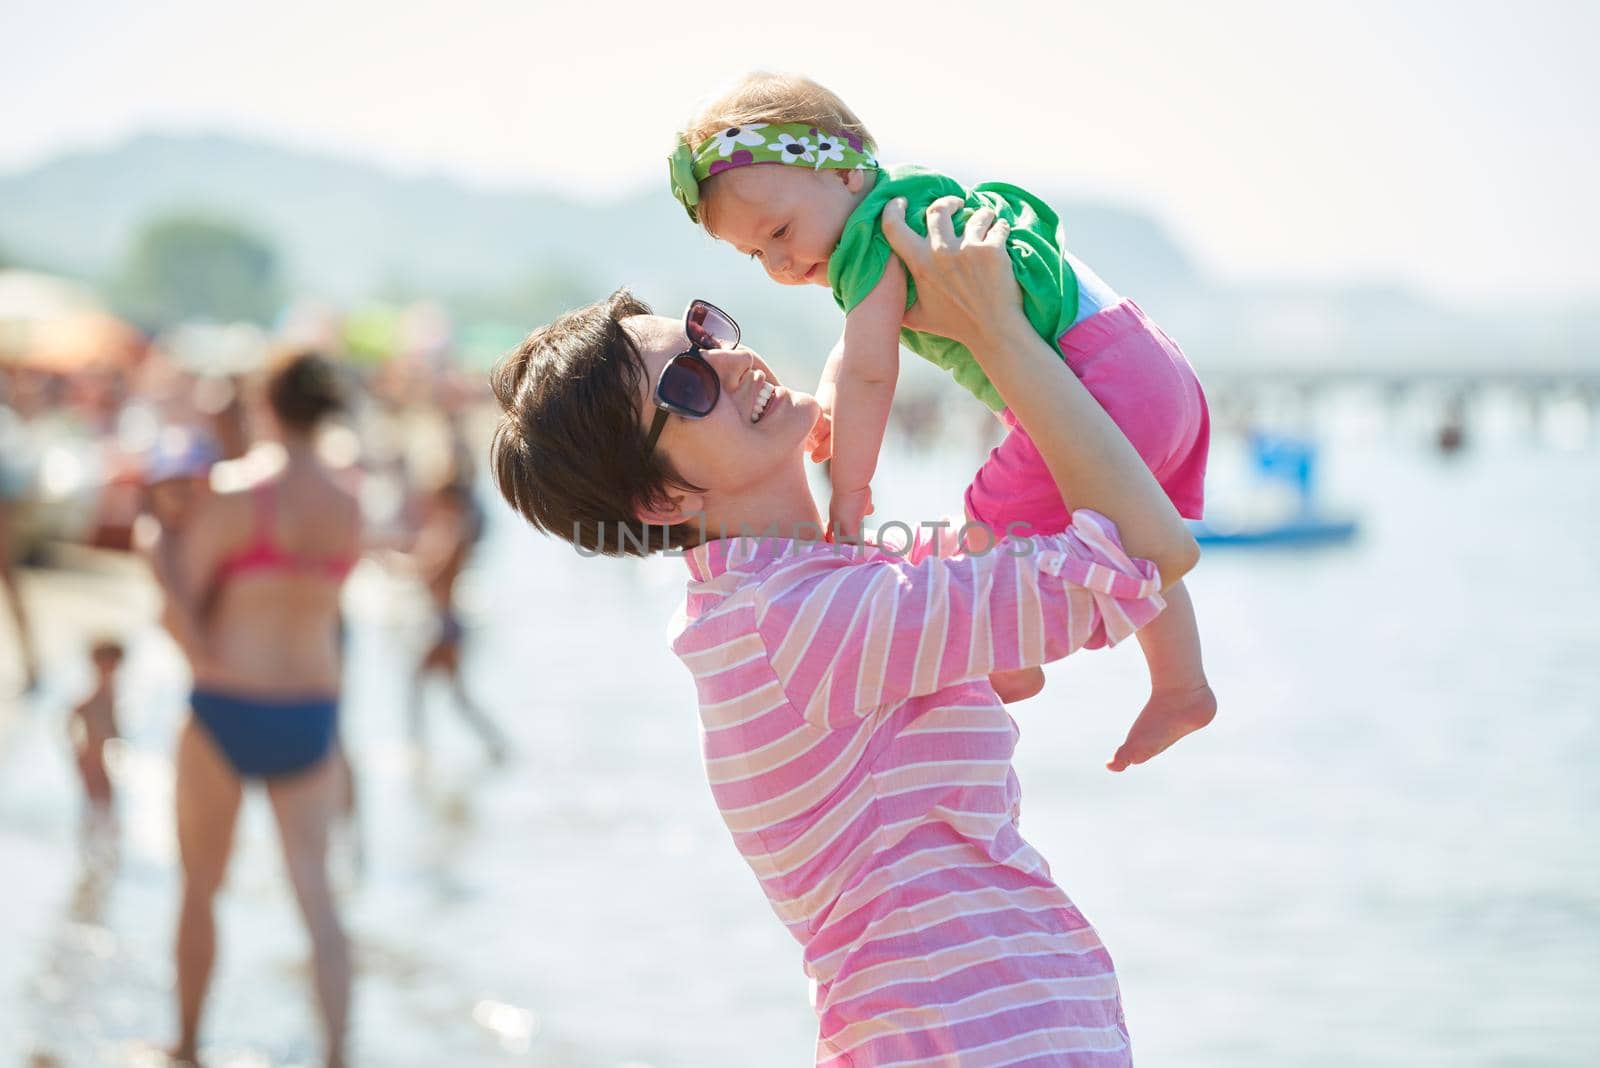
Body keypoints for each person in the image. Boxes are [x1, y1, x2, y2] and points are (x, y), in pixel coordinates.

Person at [489, 198, 1199, 1065]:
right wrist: (1001, 336)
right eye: (687, 382)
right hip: (981, 1038)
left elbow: (1050, 592)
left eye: (706, 333)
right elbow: (1146, 551)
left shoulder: (800, 598)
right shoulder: (798, 624)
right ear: (662, 499)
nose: (732, 357)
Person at [667, 72, 1215, 769]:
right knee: (1127, 526)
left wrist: (853, 491)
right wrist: (831, 397)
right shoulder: (907, 198)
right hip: (1146, 360)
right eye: (756, 253)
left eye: (779, 231)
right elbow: (855, 349)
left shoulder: (873, 241)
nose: (779, 261)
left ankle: (1010, 657)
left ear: (840, 170)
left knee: (995, 513)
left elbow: (872, 369)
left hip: (1099, 385)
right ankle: (1182, 681)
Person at [164, 351, 358, 1067]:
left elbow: (182, 607)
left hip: (227, 703)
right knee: (319, 900)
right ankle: (340, 1055)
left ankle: (186, 1047)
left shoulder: (239, 491)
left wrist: (161, 556)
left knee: (199, 889)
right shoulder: (350, 503)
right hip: (310, 711)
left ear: (266, 406)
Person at [402, 475, 506, 762]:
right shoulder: (449, 532)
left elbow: (432, 573)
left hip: (446, 624)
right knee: (451, 695)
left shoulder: (454, 534)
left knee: (425, 688)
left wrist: (403, 567)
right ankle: (494, 745)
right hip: (446, 622)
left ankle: (419, 750)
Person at [68, 638, 123, 813]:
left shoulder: (109, 690)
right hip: (93, 756)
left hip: (99, 755)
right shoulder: (101, 691)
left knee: (102, 806)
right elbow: (76, 713)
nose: (113, 669)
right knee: (98, 806)